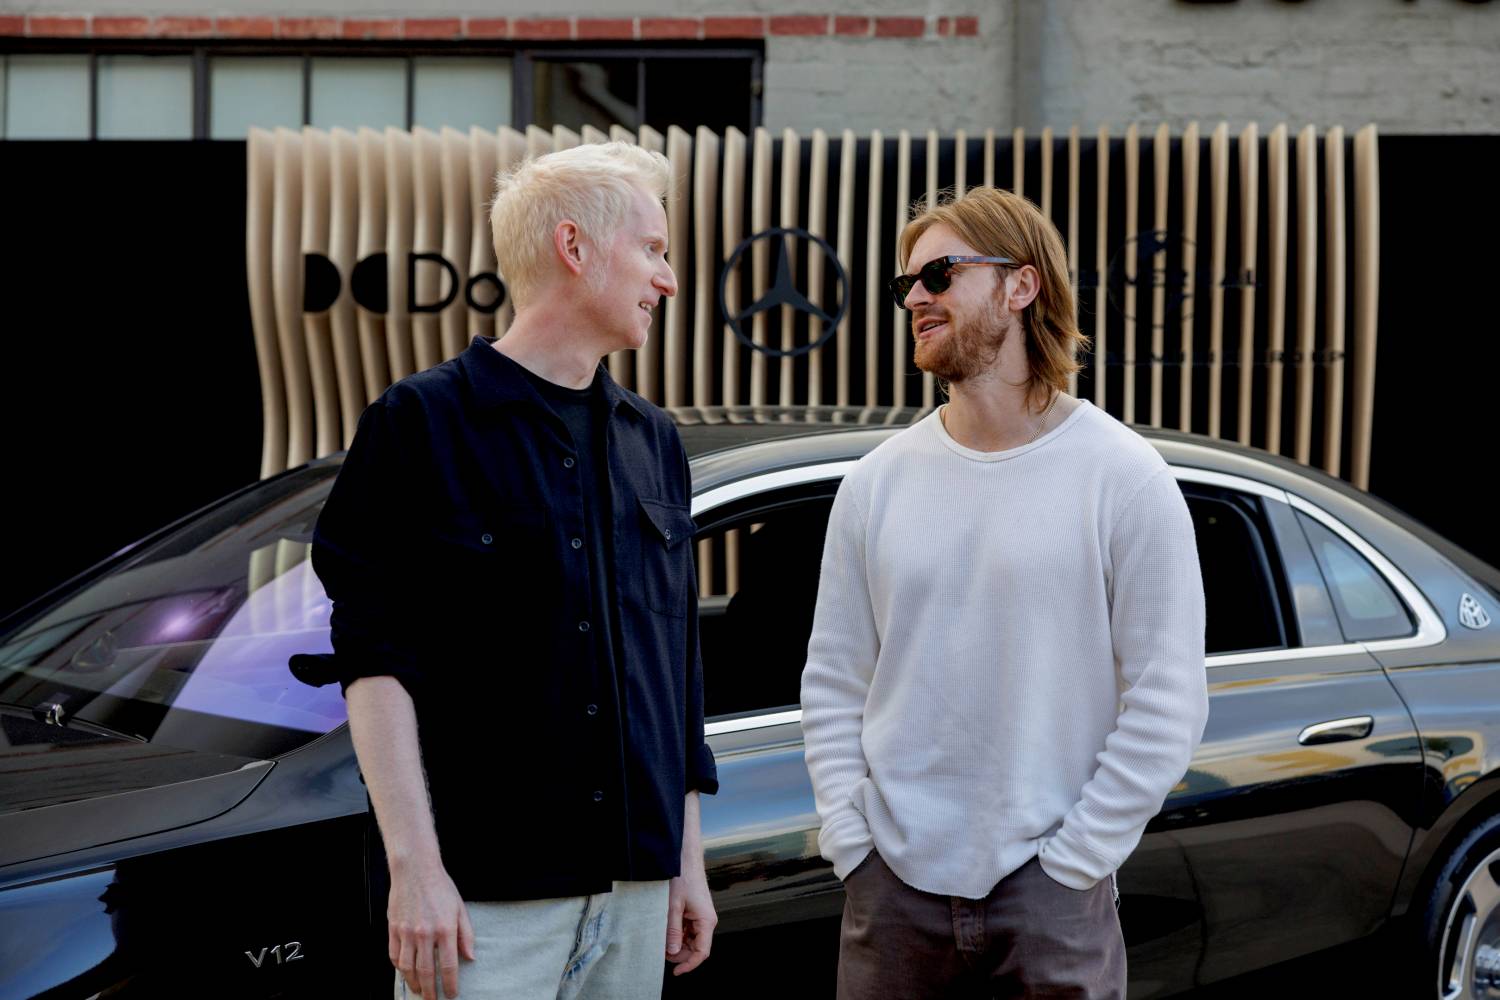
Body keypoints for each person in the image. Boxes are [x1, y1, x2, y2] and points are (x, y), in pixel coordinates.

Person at [308, 141, 717, 1000]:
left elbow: (675, 670)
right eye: (652, 249)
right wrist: (415, 871)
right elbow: (374, 662)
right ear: (574, 247)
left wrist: (685, 861)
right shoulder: (420, 424)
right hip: (481, 905)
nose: (668, 279)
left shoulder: (654, 441)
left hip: (638, 898)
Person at [800, 186, 1209, 999]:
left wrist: (1075, 863)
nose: (915, 298)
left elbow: (1167, 701)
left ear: (1021, 285)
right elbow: (835, 682)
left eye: (940, 274)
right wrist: (853, 845)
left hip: (1052, 898)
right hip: (893, 896)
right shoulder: (876, 484)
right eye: (907, 284)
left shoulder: (1123, 477)